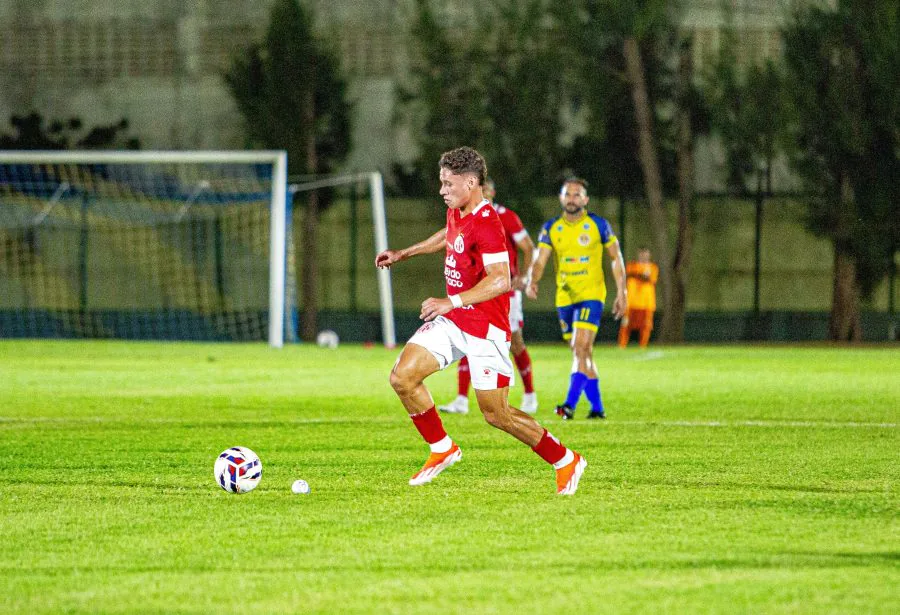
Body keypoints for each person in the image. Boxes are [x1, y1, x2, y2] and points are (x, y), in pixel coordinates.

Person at [375, 147, 587, 495]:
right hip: (455, 320)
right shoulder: (457, 210)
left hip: (486, 329)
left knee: (496, 414)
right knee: (402, 377)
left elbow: (501, 279)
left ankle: (565, 459)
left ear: (471, 183)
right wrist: (404, 253)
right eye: (442, 183)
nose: (442, 190)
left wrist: (450, 300)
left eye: (448, 184)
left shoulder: (487, 222)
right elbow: (448, 236)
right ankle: (442, 448)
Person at [527, 177, 627, 420]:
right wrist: (533, 280)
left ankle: (569, 404)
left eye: (577, 195)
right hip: (565, 297)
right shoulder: (552, 227)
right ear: (561, 198)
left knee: (580, 346)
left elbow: (616, 257)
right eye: (568, 194)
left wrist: (622, 291)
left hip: (592, 294)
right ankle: (597, 408)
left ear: (585, 199)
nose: (572, 199)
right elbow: (540, 259)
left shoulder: (598, 225)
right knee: (582, 352)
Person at [438, 178, 539, 415]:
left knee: (515, 342)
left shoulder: (506, 217)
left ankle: (530, 395)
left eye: (486, 189)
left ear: (491, 192)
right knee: (467, 336)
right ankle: (461, 399)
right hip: (476, 291)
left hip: (503, 291)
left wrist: (524, 277)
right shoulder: (464, 215)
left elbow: (528, 247)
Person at [618, 247, 658, 349]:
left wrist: (637, 275)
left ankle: (643, 345)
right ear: (638, 254)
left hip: (646, 302)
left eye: (646, 254)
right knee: (626, 324)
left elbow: (650, 279)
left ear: (649, 255)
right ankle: (622, 345)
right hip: (631, 301)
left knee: (646, 325)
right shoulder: (631, 266)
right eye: (641, 254)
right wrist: (640, 275)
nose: (643, 256)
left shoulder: (653, 267)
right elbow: (628, 274)